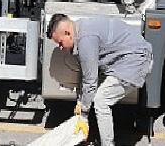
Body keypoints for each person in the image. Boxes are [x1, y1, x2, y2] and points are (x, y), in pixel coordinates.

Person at [46, 13, 153, 146]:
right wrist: (80, 102)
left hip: (135, 61)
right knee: (95, 92)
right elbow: (87, 74)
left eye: (60, 43)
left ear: (68, 33)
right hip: (126, 58)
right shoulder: (81, 29)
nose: (61, 48)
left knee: (101, 100)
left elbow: (90, 81)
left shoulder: (86, 39)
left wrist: (83, 115)